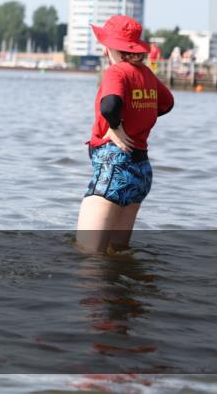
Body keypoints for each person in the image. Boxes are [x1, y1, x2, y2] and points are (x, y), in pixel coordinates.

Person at [76, 15, 174, 255]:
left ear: (110, 47)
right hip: (140, 171)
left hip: (114, 168)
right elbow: (167, 103)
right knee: (117, 254)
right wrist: (136, 117)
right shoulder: (146, 74)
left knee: (87, 256)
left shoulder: (116, 72)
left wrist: (116, 125)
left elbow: (109, 105)